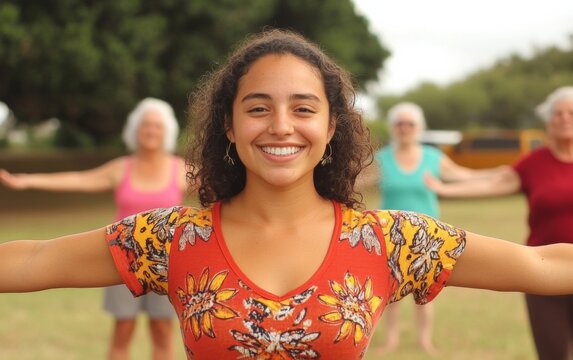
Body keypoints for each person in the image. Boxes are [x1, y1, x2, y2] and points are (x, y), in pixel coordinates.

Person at [1, 30, 573, 360]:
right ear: (228, 125)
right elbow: (34, 258)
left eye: (303, 108)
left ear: (331, 128)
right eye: (258, 108)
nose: (280, 126)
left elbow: (545, 263)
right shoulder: (170, 237)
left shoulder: (391, 240)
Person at [0, 97, 187, 360]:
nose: (151, 131)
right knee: (123, 329)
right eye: (145, 125)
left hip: (168, 264)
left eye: (157, 126)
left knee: (162, 331)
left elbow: (222, 186)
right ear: (135, 130)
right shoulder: (122, 168)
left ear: (167, 131)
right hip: (122, 259)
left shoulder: (180, 170)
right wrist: (27, 180)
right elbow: (79, 179)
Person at [425, 86, 573, 360]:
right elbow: (495, 183)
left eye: (570, 112)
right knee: (553, 352)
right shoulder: (534, 163)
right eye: (557, 113)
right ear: (548, 121)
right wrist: (446, 190)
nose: (564, 118)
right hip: (544, 272)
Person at [358, 102, 506, 355]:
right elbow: (356, 181)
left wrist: (501, 172)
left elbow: (466, 176)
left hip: (429, 239)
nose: (405, 128)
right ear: (393, 128)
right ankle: (391, 340)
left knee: (424, 293)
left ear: (419, 127)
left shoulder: (432, 158)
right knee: (390, 294)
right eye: (399, 123)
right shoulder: (381, 160)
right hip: (389, 237)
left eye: (410, 124)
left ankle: (425, 341)